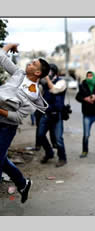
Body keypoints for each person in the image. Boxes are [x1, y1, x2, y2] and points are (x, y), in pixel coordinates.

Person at [0, 43, 50, 203]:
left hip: (6, 127)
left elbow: (17, 117)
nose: (30, 63)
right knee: (1, 159)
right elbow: (2, 58)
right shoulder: (19, 73)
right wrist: (9, 46)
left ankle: (22, 183)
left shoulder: (33, 94)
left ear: (37, 72)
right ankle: (23, 183)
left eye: (33, 63)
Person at [38, 64, 68, 167]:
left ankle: (62, 158)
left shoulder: (61, 82)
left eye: (49, 71)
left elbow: (54, 89)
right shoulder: (44, 82)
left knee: (58, 138)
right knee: (40, 135)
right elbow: (39, 93)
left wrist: (46, 78)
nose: (47, 73)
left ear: (54, 72)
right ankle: (49, 153)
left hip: (57, 114)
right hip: (46, 113)